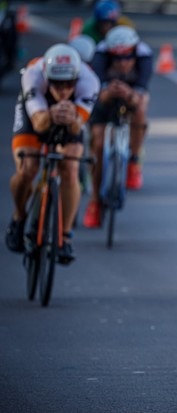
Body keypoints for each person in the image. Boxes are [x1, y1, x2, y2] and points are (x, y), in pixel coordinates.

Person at [5, 43, 100, 263]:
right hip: (36, 111)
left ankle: (64, 236)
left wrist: (73, 119)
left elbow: (77, 128)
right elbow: (38, 124)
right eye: (57, 84)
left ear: (77, 78)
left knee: (70, 167)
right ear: (47, 78)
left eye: (69, 84)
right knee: (27, 168)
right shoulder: (33, 75)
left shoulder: (90, 81)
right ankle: (19, 216)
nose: (63, 90)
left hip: (71, 113)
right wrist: (49, 115)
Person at [82, 25, 153, 229]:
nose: (123, 62)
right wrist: (109, 91)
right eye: (117, 58)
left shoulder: (144, 55)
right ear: (110, 54)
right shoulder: (100, 55)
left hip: (132, 94)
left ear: (134, 51)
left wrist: (129, 95)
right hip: (104, 99)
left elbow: (141, 91)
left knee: (140, 106)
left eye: (127, 57)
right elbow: (97, 94)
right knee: (98, 142)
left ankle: (133, 160)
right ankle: (95, 201)